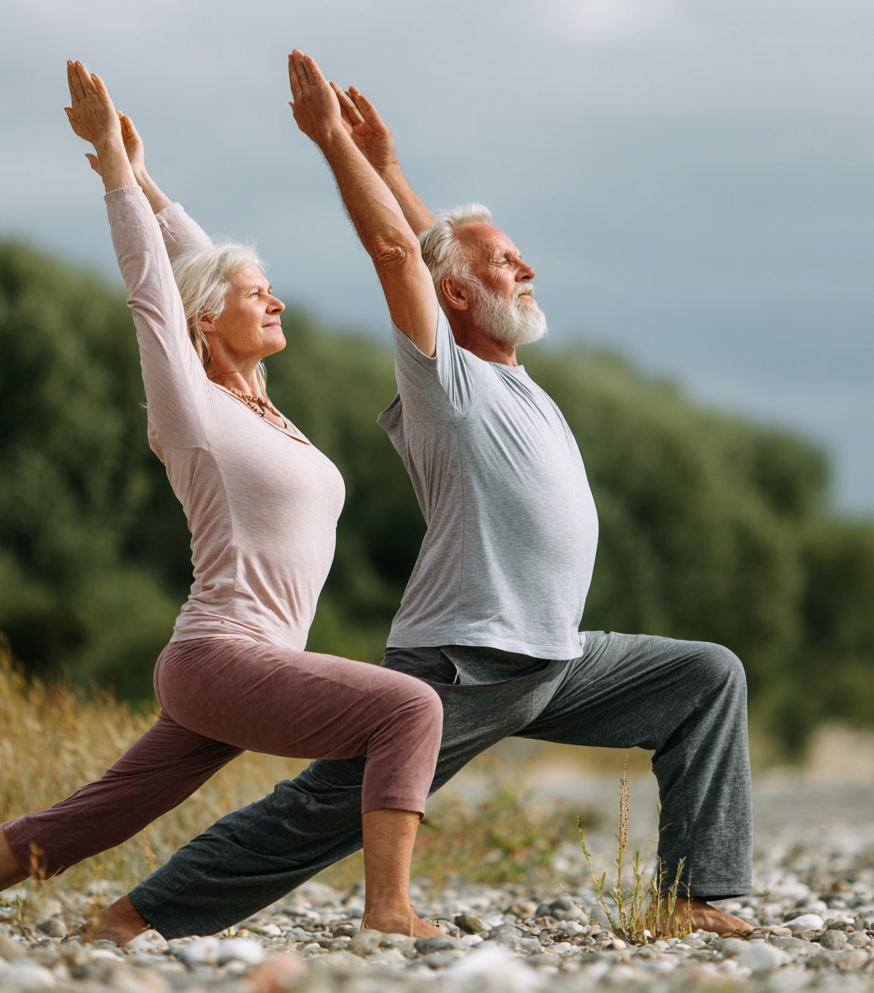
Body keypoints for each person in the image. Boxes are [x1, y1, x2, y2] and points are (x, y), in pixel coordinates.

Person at [71, 50, 756, 943]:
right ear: (460, 298)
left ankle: (692, 895)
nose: (529, 270)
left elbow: (442, 251)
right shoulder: (446, 382)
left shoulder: (505, 371)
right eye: (509, 264)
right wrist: (330, 143)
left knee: (704, 677)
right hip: (467, 657)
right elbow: (405, 253)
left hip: (551, 656)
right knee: (321, 811)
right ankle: (136, 917)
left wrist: (392, 165)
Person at [0, 59, 447, 942]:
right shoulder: (194, 410)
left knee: (94, 816)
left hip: (225, 667)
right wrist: (111, 171)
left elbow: (196, 265)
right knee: (409, 708)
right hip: (224, 656)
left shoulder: (262, 410)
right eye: (256, 294)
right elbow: (157, 285)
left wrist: (148, 177)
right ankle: (390, 912)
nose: (276, 298)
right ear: (206, 322)